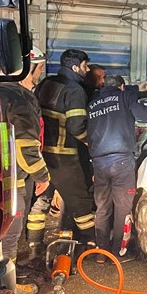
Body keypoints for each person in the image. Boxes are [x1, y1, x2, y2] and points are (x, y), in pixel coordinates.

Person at [0, 48, 51, 294]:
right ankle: (7, 288)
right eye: (39, 68)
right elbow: (26, 147)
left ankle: (0, 279)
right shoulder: (20, 99)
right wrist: (42, 176)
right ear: (29, 68)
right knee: (11, 233)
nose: (40, 73)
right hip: (14, 180)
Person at [87, 74, 147, 256]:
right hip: (122, 161)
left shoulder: (92, 105)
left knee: (102, 208)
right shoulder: (124, 97)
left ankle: (102, 252)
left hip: (99, 162)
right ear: (121, 87)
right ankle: (118, 252)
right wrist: (134, 93)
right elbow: (146, 116)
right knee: (123, 209)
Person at [37, 48, 97, 244]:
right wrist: (91, 141)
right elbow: (76, 125)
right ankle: (91, 245)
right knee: (81, 205)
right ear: (74, 67)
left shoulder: (47, 82)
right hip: (64, 159)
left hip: (41, 157)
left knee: (39, 205)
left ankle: (34, 250)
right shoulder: (75, 90)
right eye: (84, 66)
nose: (87, 70)